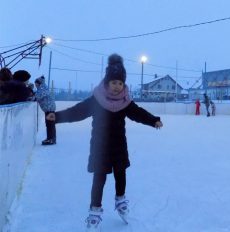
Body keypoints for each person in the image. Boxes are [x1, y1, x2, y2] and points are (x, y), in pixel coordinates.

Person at [46, 54, 163, 230]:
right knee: (99, 179)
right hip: (100, 146)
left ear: (124, 85)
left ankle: (121, 200)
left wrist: (153, 120)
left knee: (121, 174)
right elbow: (78, 111)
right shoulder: (97, 99)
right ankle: (95, 211)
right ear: (106, 82)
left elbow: (138, 113)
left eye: (120, 83)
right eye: (114, 82)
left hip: (119, 145)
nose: (117, 87)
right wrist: (58, 117)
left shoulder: (126, 102)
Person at [34, 76, 57, 145]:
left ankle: (51, 139)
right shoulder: (42, 88)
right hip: (49, 109)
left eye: (36, 83)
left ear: (39, 83)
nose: (35, 85)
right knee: (49, 124)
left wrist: (32, 98)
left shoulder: (42, 88)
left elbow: (38, 96)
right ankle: (50, 138)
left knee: (50, 124)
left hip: (50, 109)